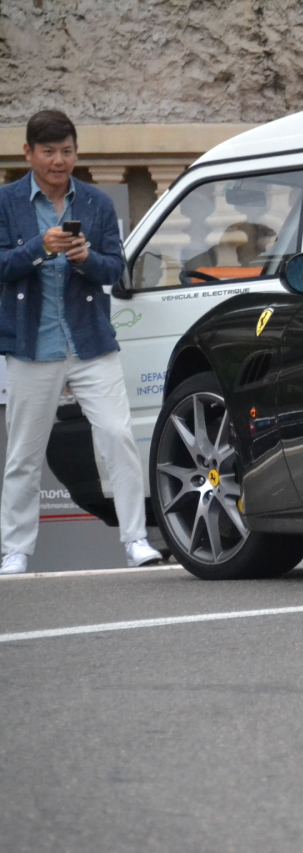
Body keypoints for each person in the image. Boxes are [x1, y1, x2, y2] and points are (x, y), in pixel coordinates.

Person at [0, 110, 162, 574]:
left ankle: (136, 540)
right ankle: (16, 550)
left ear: (76, 152)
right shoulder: (6, 201)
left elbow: (116, 268)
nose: (59, 160)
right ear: (27, 153)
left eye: (67, 151)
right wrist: (39, 248)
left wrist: (86, 257)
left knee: (117, 435)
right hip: (33, 343)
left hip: (90, 340)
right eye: (48, 152)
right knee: (24, 452)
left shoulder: (94, 202)